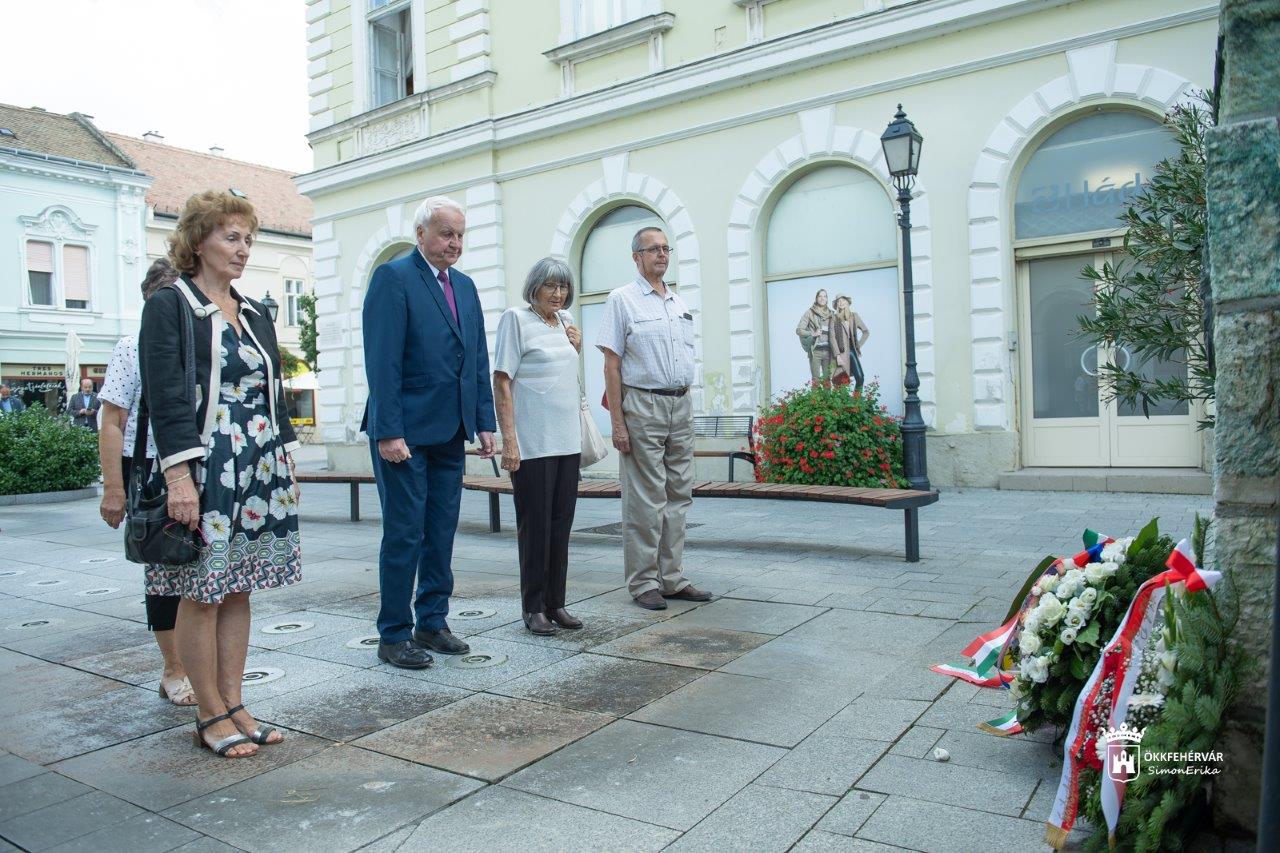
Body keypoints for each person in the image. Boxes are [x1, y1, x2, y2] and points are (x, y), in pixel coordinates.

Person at [139, 190, 301, 758]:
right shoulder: (170, 304)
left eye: (248, 239)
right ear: (198, 241)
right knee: (201, 590)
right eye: (231, 237)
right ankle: (208, 711)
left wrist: (284, 456)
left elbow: (272, 394)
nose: (243, 249)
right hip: (206, 464)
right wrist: (179, 478)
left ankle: (235, 703)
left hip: (258, 464)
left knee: (238, 589)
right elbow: (165, 398)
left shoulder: (254, 310)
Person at [362, 196, 497, 669]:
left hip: (450, 429)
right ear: (420, 234)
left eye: (460, 234)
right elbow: (382, 361)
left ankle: (432, 621)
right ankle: (394, 633)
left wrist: (485, 421)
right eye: (445, 233)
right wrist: (387, 430)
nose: (454, 242)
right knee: (405, 531)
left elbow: (477, 357)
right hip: (404, 434)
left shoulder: (465, 286)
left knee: (440, 529)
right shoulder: (394, 278)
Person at [597, 226, 713, 610]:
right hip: (643, 404)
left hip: (681, 404)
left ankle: (672, 578)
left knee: (679, 495)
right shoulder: (622, 300)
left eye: (666, 248)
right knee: (645, 499)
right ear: (636, 257)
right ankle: (643, 581)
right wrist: (618, 423)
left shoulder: (677, 303)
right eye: (653, 249)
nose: (662, 254)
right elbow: (611, 366)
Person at [99, 258, 194, 706]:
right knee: (164, 572)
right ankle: (173, 670)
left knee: (204, 572)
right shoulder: (129, 348)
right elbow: (112, 420)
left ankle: (200, 667)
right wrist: (114, 488)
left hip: (201, 467)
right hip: (154, 469)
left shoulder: (201, 343)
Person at [493, 258, 585, 635]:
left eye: (563, 287)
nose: (558, 294)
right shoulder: (516, 319)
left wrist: (576, 348)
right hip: (533, 443)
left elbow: (561, 377)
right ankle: (532, 607)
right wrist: (509, 442)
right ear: (534, 287)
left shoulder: (565, 323)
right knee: (535, 527)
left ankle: (556, 602)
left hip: (567, 440)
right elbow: (501, 381)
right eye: (550, 286)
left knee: (561, 524)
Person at [829, 294, 869, 391]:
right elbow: (832, 338)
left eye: (843, 300)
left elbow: (866, 332)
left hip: (852, 352)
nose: (841, 302)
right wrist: (837, 356)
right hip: (840, 354)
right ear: (837, 305)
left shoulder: (854, 316)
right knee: (840, 382)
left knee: (860, 378)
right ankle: (843, 405)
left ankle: (856, 403)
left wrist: (857, 345)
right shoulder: (834, 318)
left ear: (847, 302)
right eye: (838, 301)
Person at [795, 289, 834, 382]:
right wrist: (812, 333)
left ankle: (827, 397)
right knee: (815, 381)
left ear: (827, 299)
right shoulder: (809, 312)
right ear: (816, 298)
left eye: (825, 296)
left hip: (829, 352)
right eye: (820, 296)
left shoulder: (832, 314)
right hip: (815, 351)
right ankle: (815, 397)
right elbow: (799, 330)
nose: (822, 298)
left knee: (827, 381)